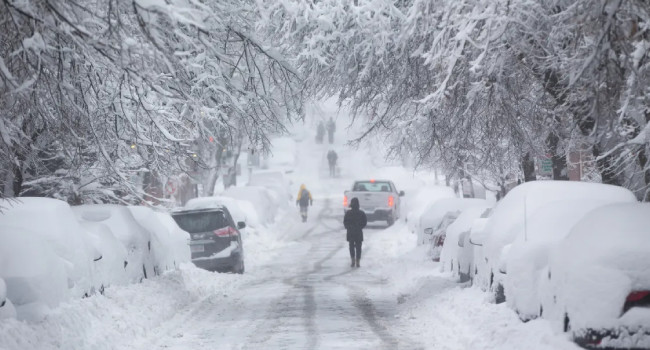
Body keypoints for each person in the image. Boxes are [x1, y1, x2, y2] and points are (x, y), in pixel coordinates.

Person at [343, 197, 367, 268]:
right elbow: (364, 222)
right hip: (359, 232)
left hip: (350, 232)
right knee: (359, 247)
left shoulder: (348, 213)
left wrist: (348, 227)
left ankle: (353, 260)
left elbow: (345, 222)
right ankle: (358, 261)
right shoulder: (361, 213)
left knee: (351, 246)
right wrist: (360, 227)